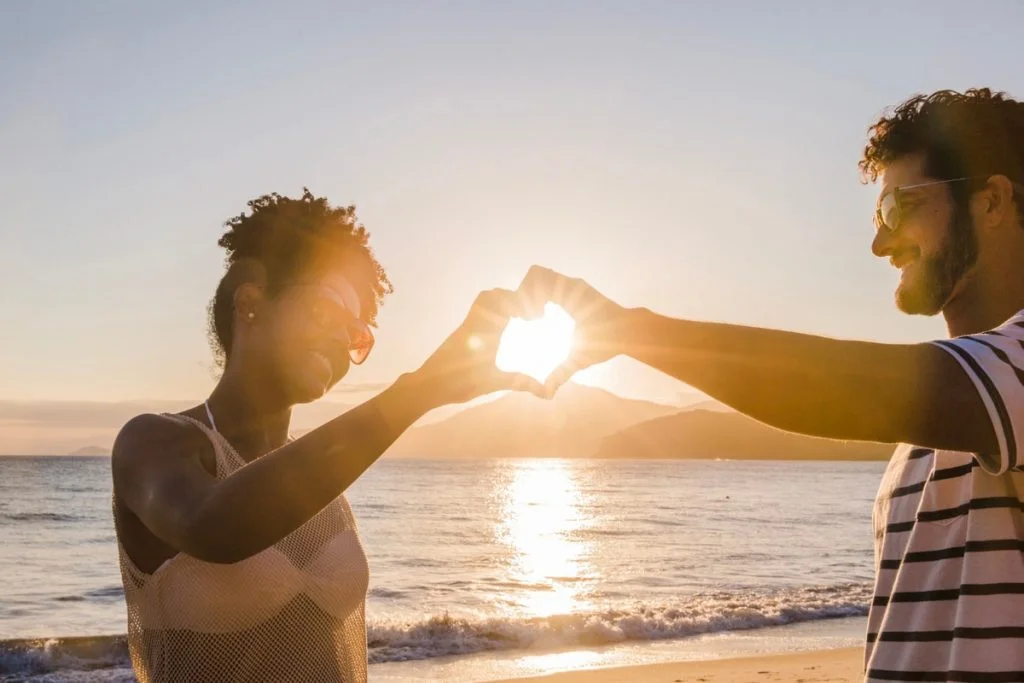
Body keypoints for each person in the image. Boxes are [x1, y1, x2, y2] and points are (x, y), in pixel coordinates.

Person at [521, 88, 1024, 681]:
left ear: (990, 202)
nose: (879, 242)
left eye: (898, 208)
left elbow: (845, 390)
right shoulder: (923, 439)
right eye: (877, 216)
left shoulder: (991, 384)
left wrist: (635, 331)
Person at [110, 189, 547, 682]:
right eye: (327, 310)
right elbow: (215, 527)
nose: (343, 340)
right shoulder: (152, 443)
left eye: (358, 333)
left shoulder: (325, 493)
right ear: (251, 302)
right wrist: (418, 392)